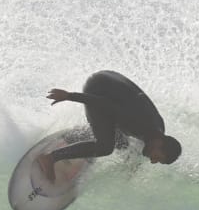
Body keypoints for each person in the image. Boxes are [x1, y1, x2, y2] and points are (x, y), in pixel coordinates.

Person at [36, 70, 181, 182]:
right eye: (157, 157)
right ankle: (50, 158)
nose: (153, 161)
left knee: (122, 144)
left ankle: (79, 136)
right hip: (99, 88)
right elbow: (103, 104)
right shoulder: (140, 122)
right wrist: (69, 96)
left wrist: (132, 168)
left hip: (112, 87)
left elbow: (137, 148)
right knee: (105, 147)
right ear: (160, 143)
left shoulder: (157, 133)